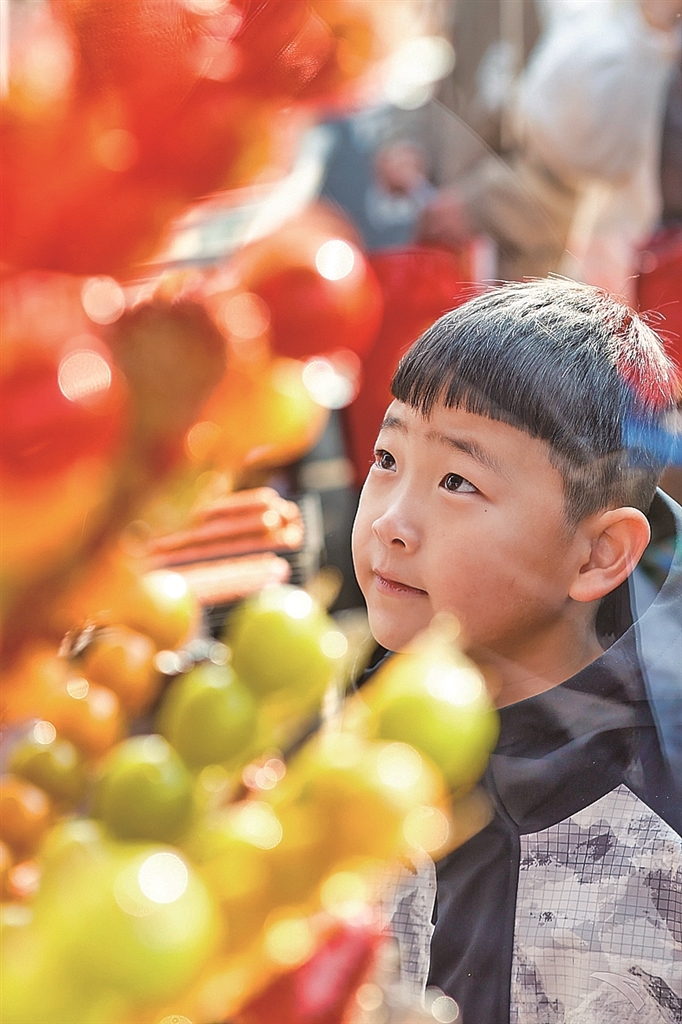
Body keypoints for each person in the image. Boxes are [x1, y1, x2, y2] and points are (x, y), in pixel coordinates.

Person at [350, 278, 682, 1023]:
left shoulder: (659, 823)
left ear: (599, 555)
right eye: (386, 457)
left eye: (458, 481)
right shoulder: (354, 744)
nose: (391, 524)